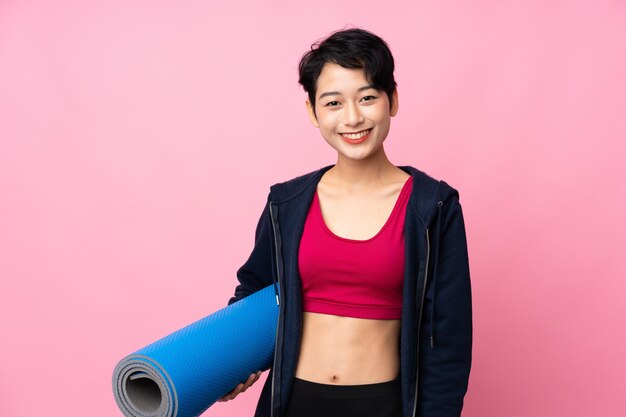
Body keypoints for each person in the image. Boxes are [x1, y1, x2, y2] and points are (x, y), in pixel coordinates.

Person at [218, 27, 472, 417]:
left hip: (382, 404)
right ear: (313, 113)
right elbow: (254, 291)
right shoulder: (286, 202)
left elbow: (449, 338)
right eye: (333, 102)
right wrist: (229, 361)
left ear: (393, 100)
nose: (352, 117)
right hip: (292, 403)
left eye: (367, 97)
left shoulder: (432, 206)